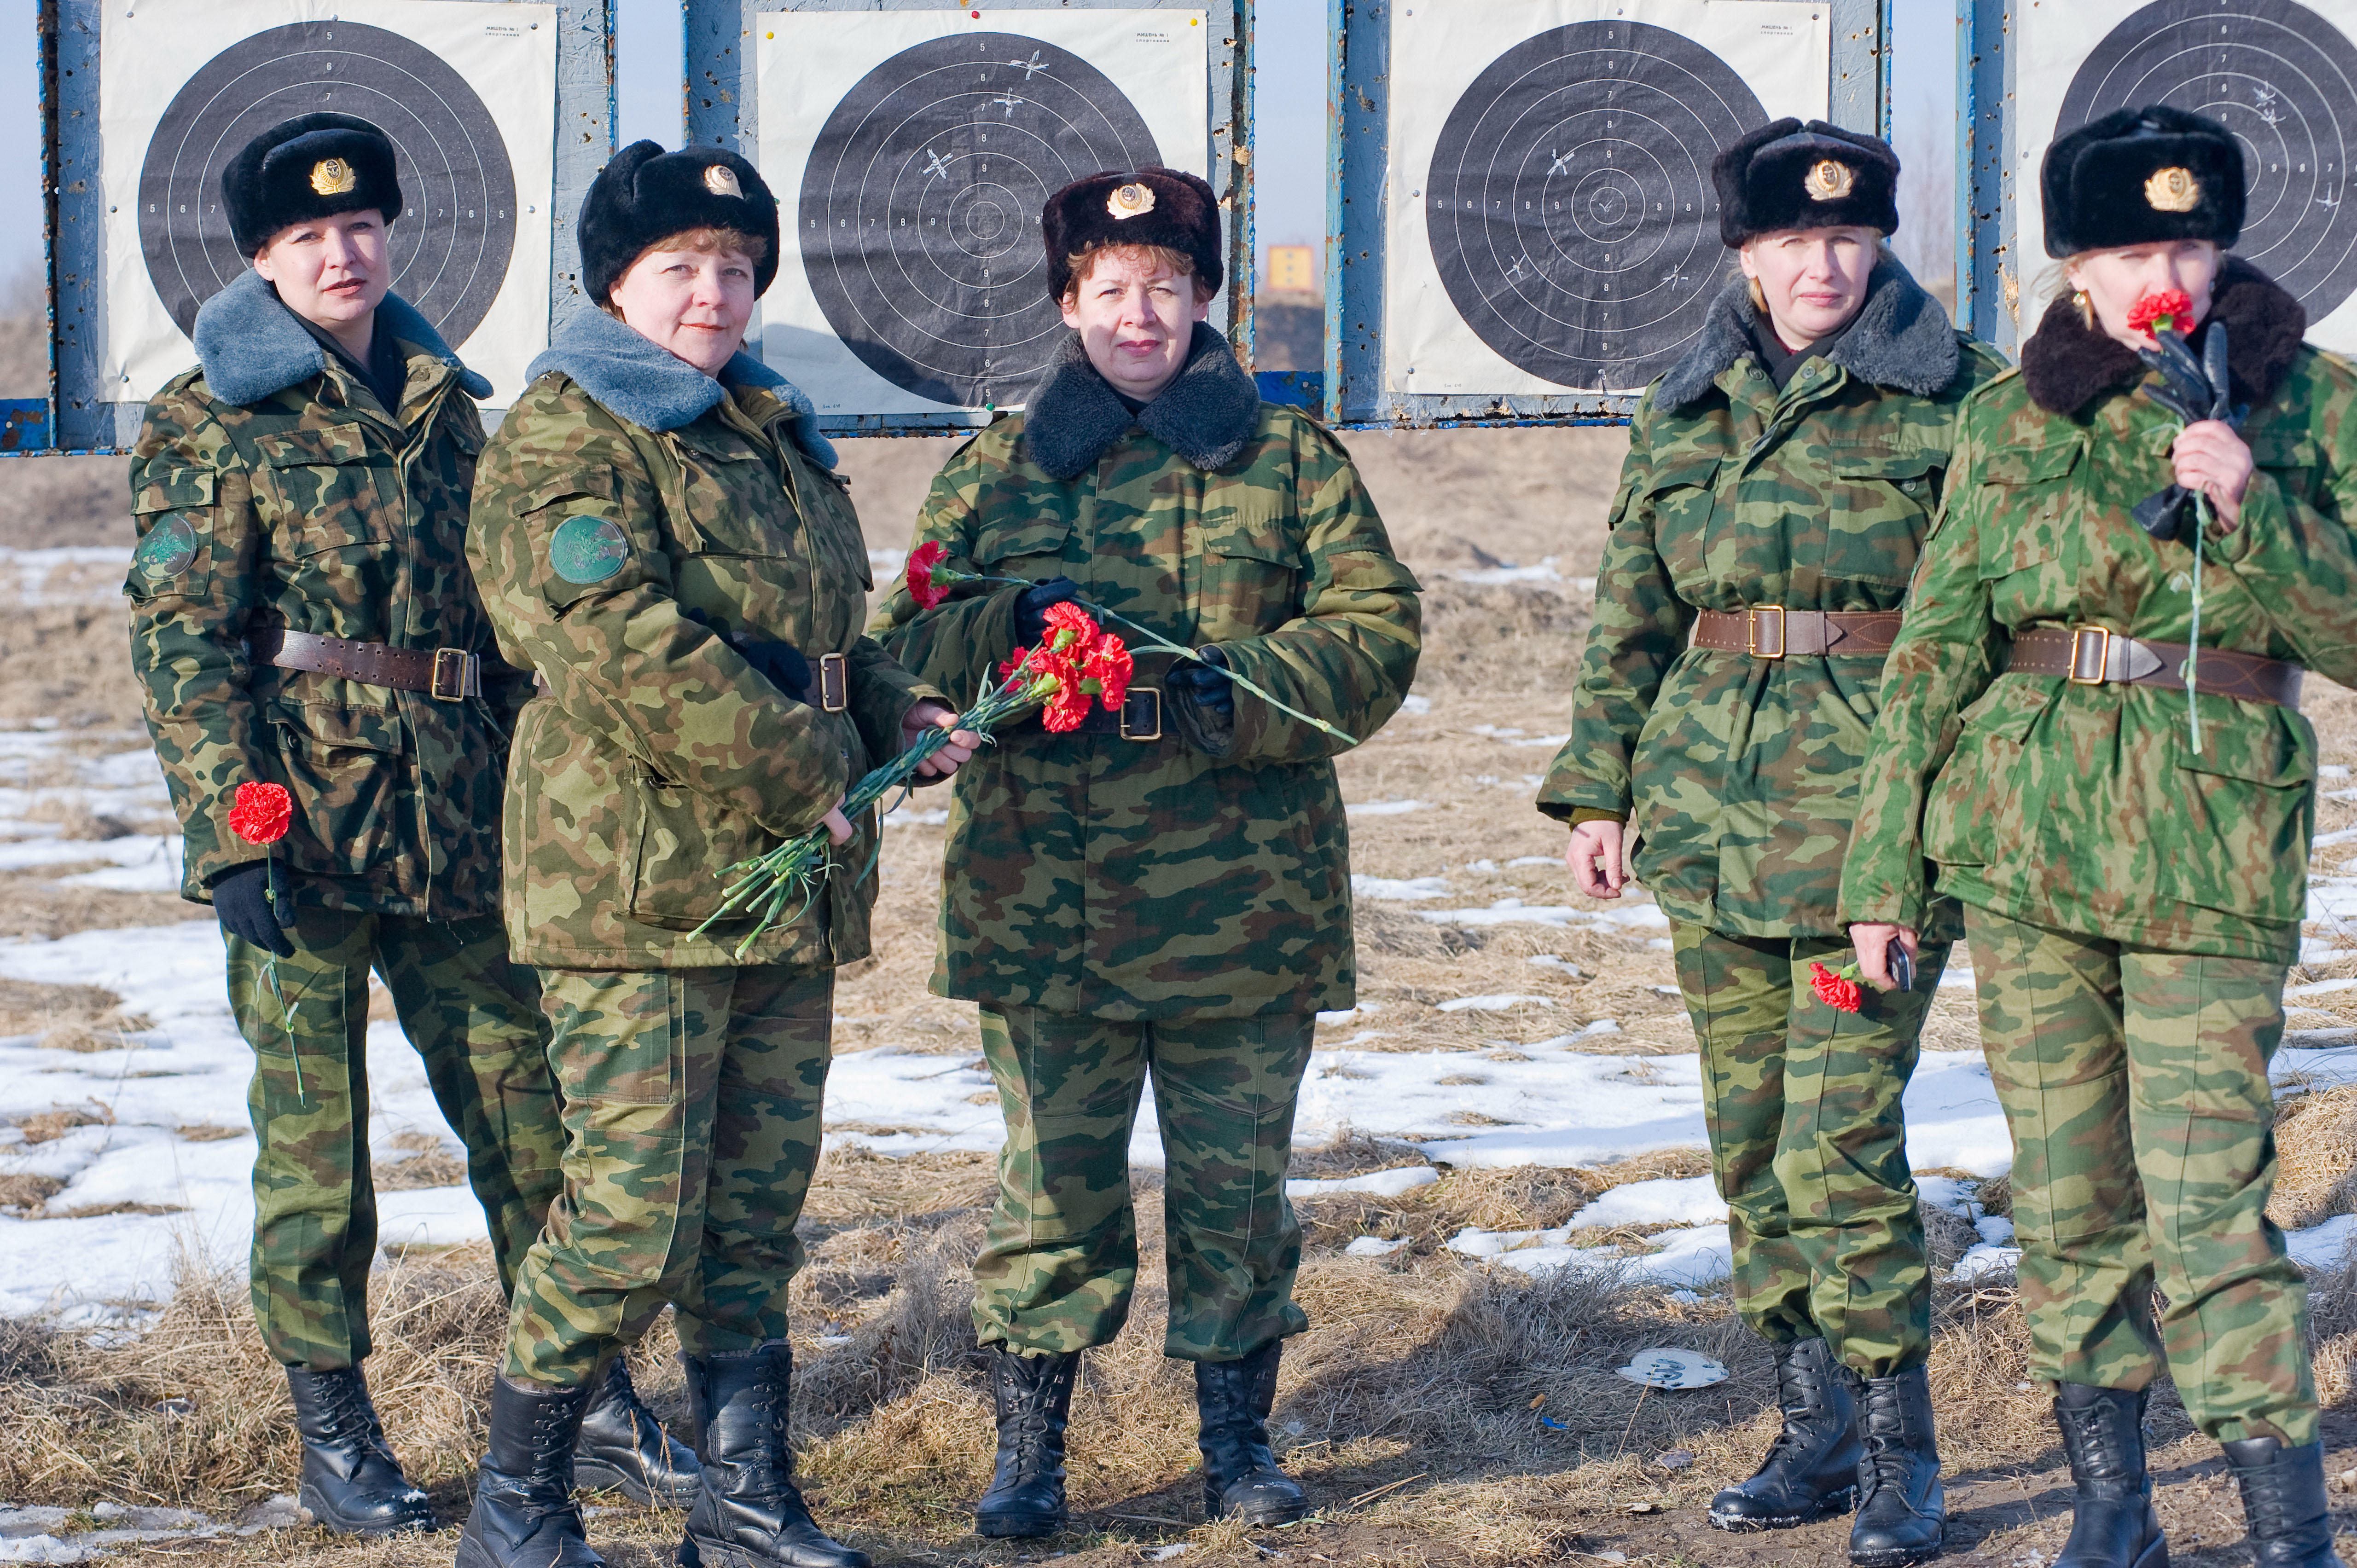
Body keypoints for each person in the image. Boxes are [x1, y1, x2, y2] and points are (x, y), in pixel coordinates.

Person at [124, 112, 692, 1537]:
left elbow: (507, 617)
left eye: (363, 226)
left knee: (532, 1120)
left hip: (457, 818)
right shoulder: (210, 417)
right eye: (310, 235)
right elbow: (185, 643)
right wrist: (236, 832)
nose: (344, 252)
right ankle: (337, 1433)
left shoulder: (452, 406)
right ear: (261, 258)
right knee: (319, 1149)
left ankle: (590, 1398)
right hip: (301, 829)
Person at [870, 166, 1421, 1538]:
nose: (1138, 316)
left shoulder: (1287, 460)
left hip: (1244, 898)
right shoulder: (997, 465)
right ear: (1068, 302)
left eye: (1165, 290)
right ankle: (1030, 1457)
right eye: (1110, 292)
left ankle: (1240, 1448)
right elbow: (904, 635)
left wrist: (1228, 688)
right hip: (1043, 898)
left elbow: (1378, 629)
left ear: (1203, 299)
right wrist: (1004, 623)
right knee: (1052, 1189)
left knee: (1237, 1194)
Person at [1844, 104, 2357, 1568]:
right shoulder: (2010, 422)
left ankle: (2285, 1531)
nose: (2169, 275)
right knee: (2069, 1200)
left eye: (2191, 244)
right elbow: (1935, 650)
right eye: (2135, 246)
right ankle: (2112, 1510)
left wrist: (2255, 506)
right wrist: (1885, 870)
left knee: (2211, 1205)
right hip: (2026, 852)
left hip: (2211, 857)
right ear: (2074, 267)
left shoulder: (2314, 407)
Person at [458, 140, 976, 1568]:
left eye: (737, 267)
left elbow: (816, 642)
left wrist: (893, 711)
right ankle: (520, 1507)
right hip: (635, 890)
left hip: (782, 888)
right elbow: (616, 644)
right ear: (613, 283)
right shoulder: (569, 435)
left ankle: (742, 1506)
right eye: (680, 266)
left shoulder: (764, 429)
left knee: (754, 1217)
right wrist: (811, 769)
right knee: (628, 1221)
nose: (713, 292)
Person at [1541, 121, 2004, 1567]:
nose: (1825, 262)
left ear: (1879, 243)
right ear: (1743, 250)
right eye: (1794, 240)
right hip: (1710, 825)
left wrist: (1933, 834)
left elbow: (1985, 630)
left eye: (1850, 237)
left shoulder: (1965, 403)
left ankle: (1895, 1451)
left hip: (1877, 833)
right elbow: (1632, 611)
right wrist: (1600, 789)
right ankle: (1806, 1426)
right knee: (1752, 1149)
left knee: (1843, 1142)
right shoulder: (1688, 407)